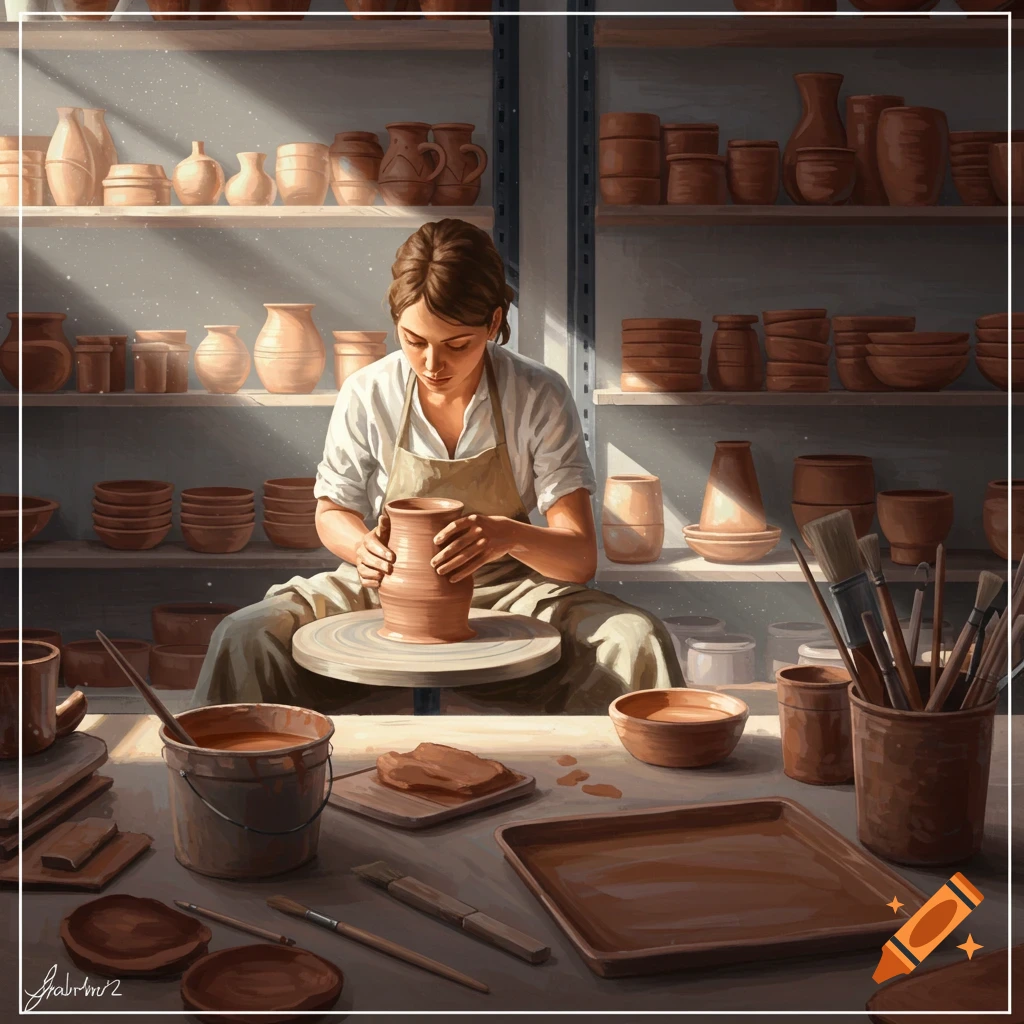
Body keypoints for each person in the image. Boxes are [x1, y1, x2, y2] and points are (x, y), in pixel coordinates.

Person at [192, 218, 683, 714]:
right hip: (385, 586)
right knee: (246, 635)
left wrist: (506, 536)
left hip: (513, 589)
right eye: (413, 340)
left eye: (457, 344)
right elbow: (331, 511)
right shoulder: (369, 391)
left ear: (493, 324)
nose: (431, 364)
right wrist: (361, 548)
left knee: (634, 639)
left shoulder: (538, 394)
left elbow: (579, 558)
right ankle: (236, 785)